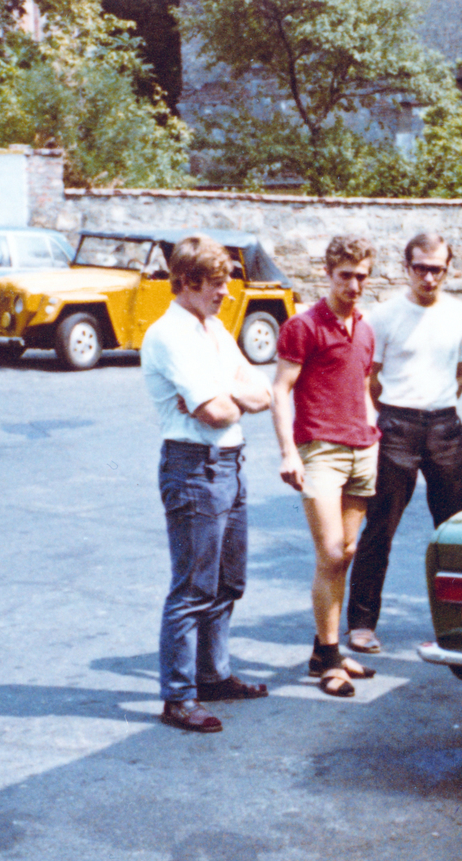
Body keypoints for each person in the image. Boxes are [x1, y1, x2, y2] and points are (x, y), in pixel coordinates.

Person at [143, 234, 273, 733]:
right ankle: (178, 697)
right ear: (188, 282)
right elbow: (217, 411)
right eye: (216, 284)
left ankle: (213, 675)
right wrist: (226, 396)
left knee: (228, 581)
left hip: (229, 462)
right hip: (193, 466)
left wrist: (223, 395)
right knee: (193, 587)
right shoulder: (169, 335)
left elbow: (260, 392)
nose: (225, 293)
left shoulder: (213, 328)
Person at [344, 232, 462, 655]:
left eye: (437, 268)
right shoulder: (383, 316)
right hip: (395, 427)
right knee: (379, 529)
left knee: (454, 532)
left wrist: (438, 407)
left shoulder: (461, 315)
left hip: (444, 427)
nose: (429, 277)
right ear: (407, 268)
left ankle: (457, 626)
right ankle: (362, 624)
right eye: (420, 268)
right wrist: (388, 416)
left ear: (448, 269)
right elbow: (370, 377)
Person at [271, 235, 381, 697]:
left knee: (348, 552)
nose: (354, 285)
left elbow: (365, 387)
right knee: (331, 555)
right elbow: (279, 390)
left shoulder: (366, 328)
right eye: (346, 276)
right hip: (320, 451)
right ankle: (330, 663)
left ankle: (324, 648)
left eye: (361, 276)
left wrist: (372, 430)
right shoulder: (303, 326)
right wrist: (288, 452)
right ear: (329, 273)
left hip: (362, 450)